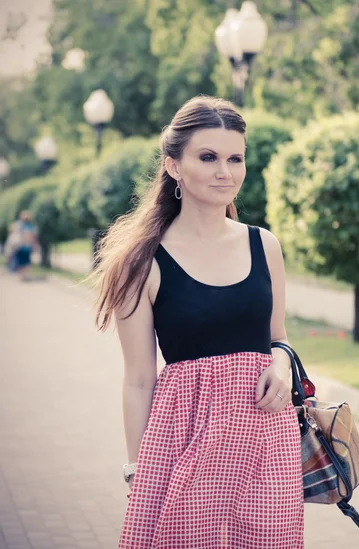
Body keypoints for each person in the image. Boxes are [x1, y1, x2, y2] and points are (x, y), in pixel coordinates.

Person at [91, 95, 303, 549]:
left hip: (265, 442)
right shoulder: (141, 262)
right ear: (173, 166)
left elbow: (278, 339)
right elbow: (138, 380)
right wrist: (137, 468)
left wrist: (282, 366)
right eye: (208, 157)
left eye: (235, 158)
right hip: (186, 441)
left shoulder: (265, 245)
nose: (225, 172)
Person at [9, 211, 39, 281]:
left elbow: (12, 234)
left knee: (23, 261)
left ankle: (23, 276)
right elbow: (34, 237)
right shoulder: (31, 226)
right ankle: (24, 276)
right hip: (24, 247)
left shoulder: (18, 225)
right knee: (26, 261)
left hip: (21, 246)